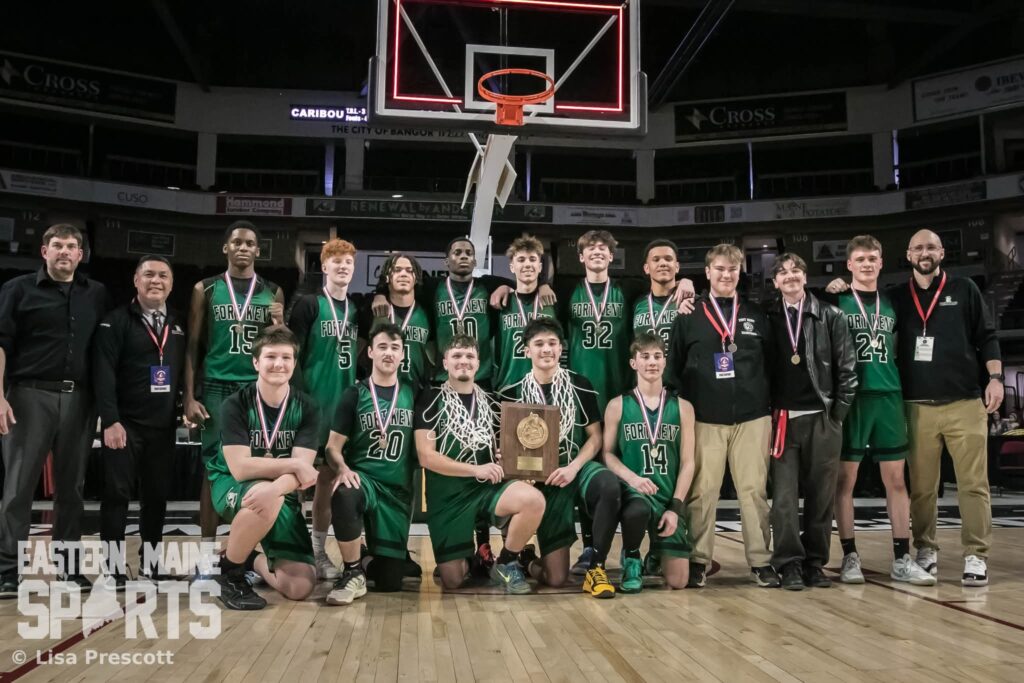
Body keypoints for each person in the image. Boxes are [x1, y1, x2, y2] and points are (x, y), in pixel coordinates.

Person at [0, 223, 110, 596]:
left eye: (72, 246)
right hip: (28, 395)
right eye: (58, 245)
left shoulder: (96, 293)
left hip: (79, 400)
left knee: (72, 490)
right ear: (44, 251)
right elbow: (0, 344)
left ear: (81, 254)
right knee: (18, 489)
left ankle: (69, 568)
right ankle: (8, 570)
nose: (65, 252)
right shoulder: (16, 290)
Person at [824, 236, 938, 586]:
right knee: (845, 481)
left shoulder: (893, 302)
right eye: (860, 259)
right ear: (849, 264)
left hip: (889, 396)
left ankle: (902, 557)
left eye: (873, 258)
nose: (867, 264)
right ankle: (849, 556)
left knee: (896, 481)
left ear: (881, 261)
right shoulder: (835, 301)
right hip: (852, 399)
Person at [665, 243, 777, 588]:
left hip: (753, 416)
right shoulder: (688, 316)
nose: (726, 275)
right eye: (720, 269)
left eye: (732, 270)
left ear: (739, 273)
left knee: (754, 491)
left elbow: (772, 365)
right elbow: (673, 370)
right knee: (703, 491)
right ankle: (698, 560)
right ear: (708, 273)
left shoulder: (757, 315)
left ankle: (760, 562)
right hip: (704, 416)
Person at [894, 229, 1001, 586]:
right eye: (918, 247)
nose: (925, 253)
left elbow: (986, 336)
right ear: (909, 255)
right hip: (916, 406)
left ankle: (976, 554)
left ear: (942, 253)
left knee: (974, 484)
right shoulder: (896, 297)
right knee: (923, 487)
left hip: (965, 402)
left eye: (931, 247)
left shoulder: (965, 289)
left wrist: (996, 378)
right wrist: (838, 286)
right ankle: (926, 548)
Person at [183, 221, 284, 571]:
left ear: (258, 251)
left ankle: (246, 552)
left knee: (260, 467)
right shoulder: (205, 289)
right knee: (214, 470)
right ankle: (206, 554)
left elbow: (279, 347)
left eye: (250, 243)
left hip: (257, 390)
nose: (243, 247)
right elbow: (193, 346)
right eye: (237, 242)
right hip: (215, 388)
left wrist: (280, 325)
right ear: (225, 247)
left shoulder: (273, 292)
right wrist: (188, 396)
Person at [499, 317, 621, 598]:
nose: (546, 349)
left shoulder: (580, 384)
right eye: (538, 344)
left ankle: (596, 566)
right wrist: (519, 472)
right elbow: (506, 448)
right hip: (541, 482)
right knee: (555, 579)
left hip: (574, 468)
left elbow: (595, 437)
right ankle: (528, 560)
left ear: (561, 348)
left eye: (552, 343)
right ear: (526, 350)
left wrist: (575, 467)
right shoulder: (512, 392)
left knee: (608, 485)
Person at [415, 334, 546, 594]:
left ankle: (505, 563)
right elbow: (426, 456)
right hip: (449, 497)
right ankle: (473, 557)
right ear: (445, 363)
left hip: (485, 490)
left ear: (478, 363)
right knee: (453, 579)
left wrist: (514, 465)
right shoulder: (430, 399)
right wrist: (476, 469)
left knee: (533, 500)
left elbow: (505, 450)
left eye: (469, 356)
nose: (463, 361)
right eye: (456, 356)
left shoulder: (493, 402)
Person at [206, 326, 319, 609]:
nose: (278, 364)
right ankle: (229, 574)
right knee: (263, 496)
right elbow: (241, 468)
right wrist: (292, 466)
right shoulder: (235, 404)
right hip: (230, 481)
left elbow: (302, 476)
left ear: (295, 363)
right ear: (256, 362)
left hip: (279, 493)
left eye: (286, 357)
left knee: (300, 586)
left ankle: (248, 557)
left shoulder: (308, 407)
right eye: (270, 357)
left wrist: (277, 489)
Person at [764, 254, 857, 590]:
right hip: (782, 420)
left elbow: (848, 369)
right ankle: (789, 563)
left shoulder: (831, 315)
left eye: (796, 270)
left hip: (823, 418)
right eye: (782, 272)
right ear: (775, 282)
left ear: (805, 276)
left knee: (822, 496)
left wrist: (837, 415)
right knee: (785, 498)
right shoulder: (767, 316)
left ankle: (815, 563)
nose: (790, 276)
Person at [92, 255, 186, 587]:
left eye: (163, 275)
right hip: (125, 425)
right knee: (117, 495)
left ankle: (151, 564)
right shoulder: (114, 321)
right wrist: (111, 421)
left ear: (171, 284)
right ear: (136, 280)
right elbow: (102, 376)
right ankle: (113, 568)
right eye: (149, 275)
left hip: (162, 426)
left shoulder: (177, 323)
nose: (155, 280)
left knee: (156, 497)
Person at [325, 323, 417, 604]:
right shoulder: (354, 393)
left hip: (397, 492)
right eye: (383, 347)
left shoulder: (415, 393)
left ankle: (366, 557)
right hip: (364, 480)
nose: (389, 353)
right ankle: (352, 571)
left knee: (390, 582)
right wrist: (342, 468)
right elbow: (332, 447)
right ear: (370, 352)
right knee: (344, 491)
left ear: (403, 355)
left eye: (395, 348)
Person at [288, 238, 364, 581]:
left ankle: (318, 552)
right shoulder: (308, 304)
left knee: (325, 483)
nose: (343, 267)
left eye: (348, 262)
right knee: (293, 482)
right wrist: (300, 400)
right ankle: (286, 550)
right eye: (337, 262)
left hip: (339, 408)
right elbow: (294, 356)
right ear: (325, 266)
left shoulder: (355, 309)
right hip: (309, 406)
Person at [603, 333, 695, 592]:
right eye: (644, 357)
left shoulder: (684, 407)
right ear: (633, 363)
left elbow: (689, 462)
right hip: (635, 492)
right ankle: (631, 558)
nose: (651, 362)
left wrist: (675, 508)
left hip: (667, 497)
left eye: (657, 356)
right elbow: (607, 454)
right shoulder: (617, 405)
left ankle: (654, 555)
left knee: (678, 582)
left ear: (665, 362)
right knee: (636, 510)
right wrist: (631, 478)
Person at [493, 235, 558, 391]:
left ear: (540, 267)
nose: (527, 264)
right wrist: (503, 286)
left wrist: (545, 285)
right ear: (512, 267)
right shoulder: (502, 302)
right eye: (521, 260)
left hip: (546, 387)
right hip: (509, 387)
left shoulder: (553, 301)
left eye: (532, 259)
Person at [371, 253, 433, 391]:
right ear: (387, 277)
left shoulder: (428, 313)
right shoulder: (373, 310)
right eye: (397, 270)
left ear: (416, 278)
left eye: (409, 270)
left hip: (418, 391)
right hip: (380, 392)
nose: (403, 274)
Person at [632, 239, 682, 348]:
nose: (663, 263)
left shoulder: (689, 301)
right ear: (646, 268)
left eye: (668, 259)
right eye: (656, 259)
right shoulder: (636, 303)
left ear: (677, 266)